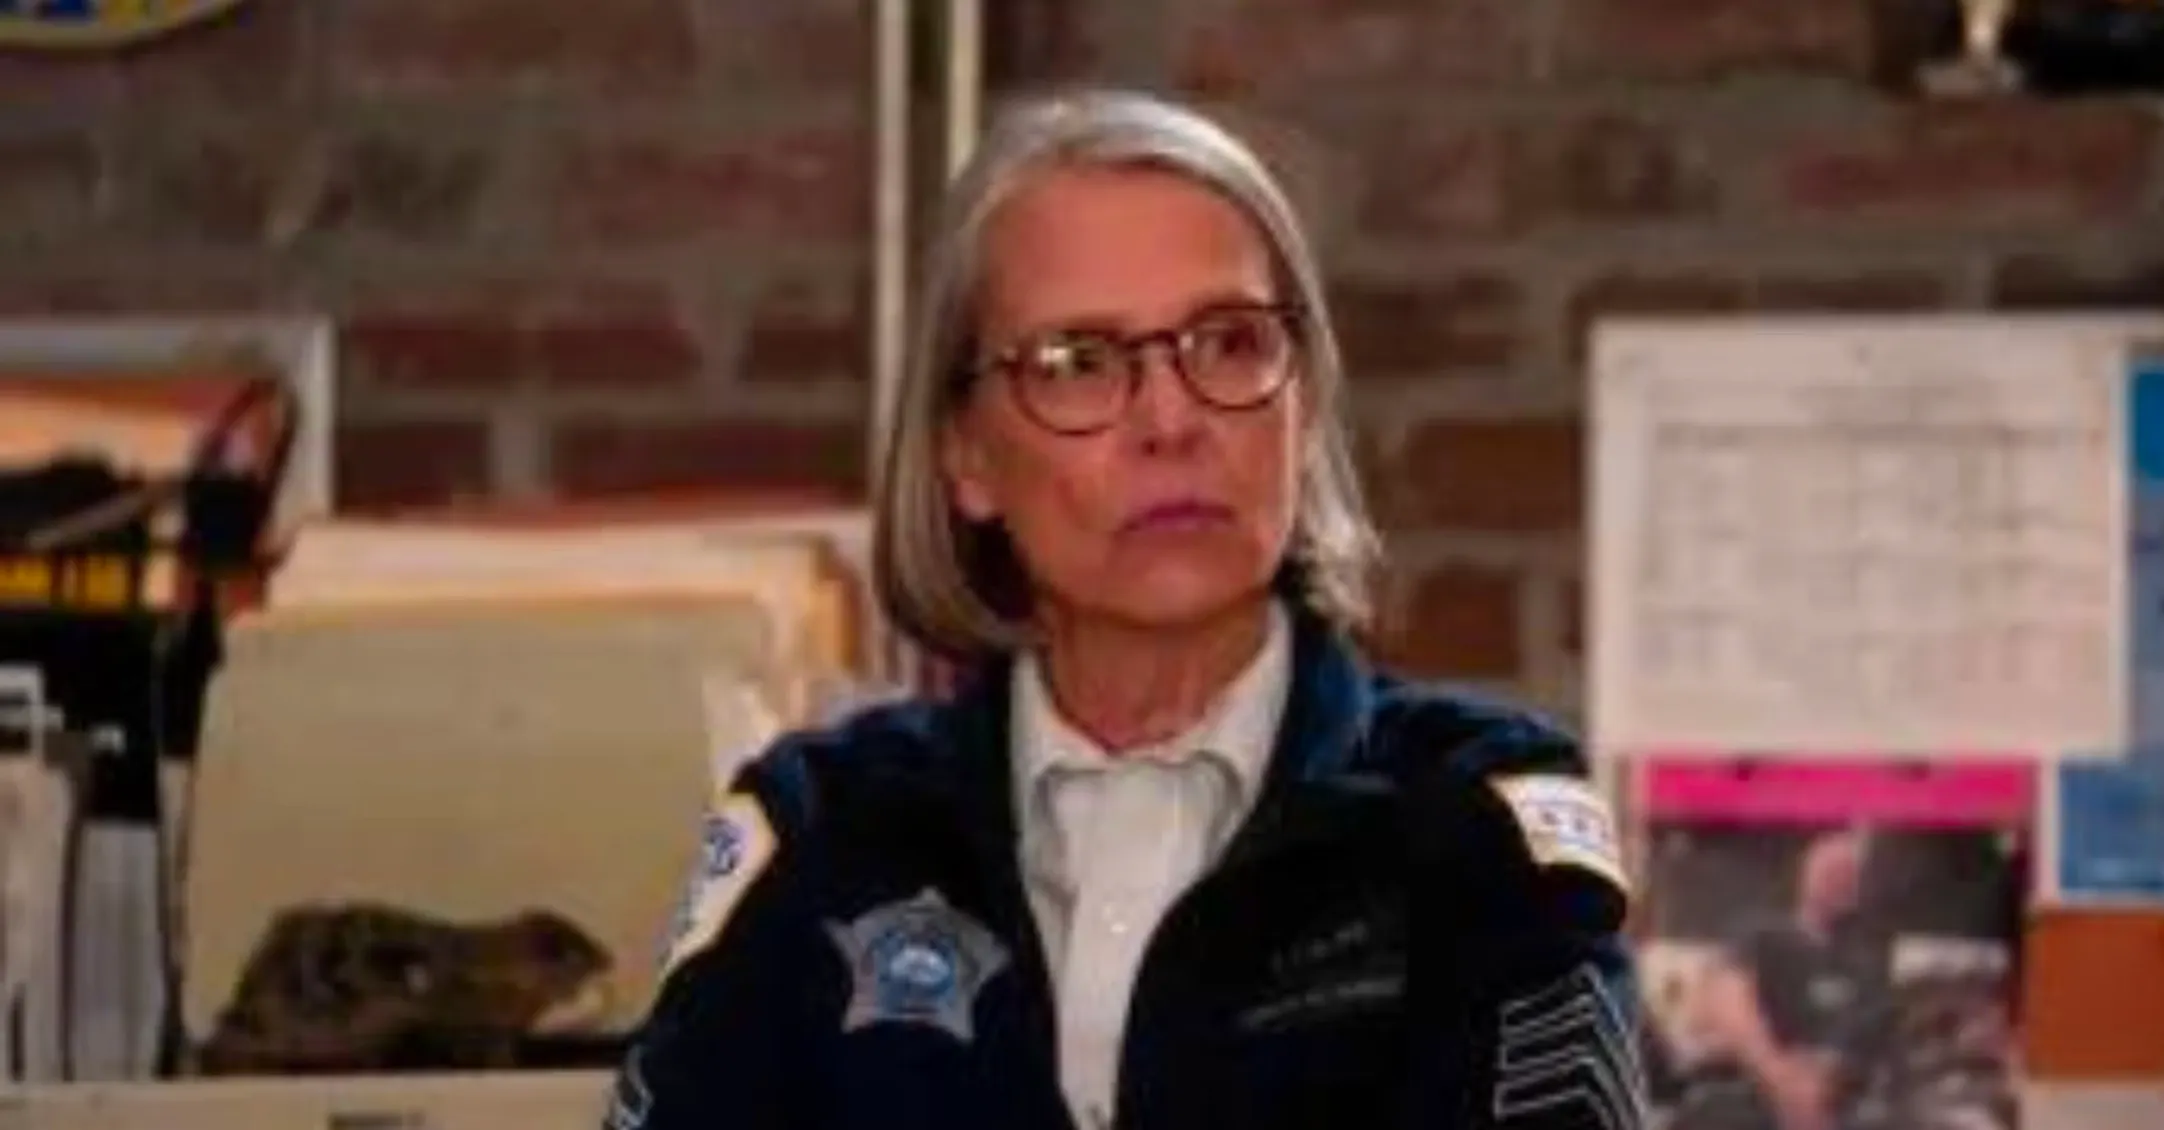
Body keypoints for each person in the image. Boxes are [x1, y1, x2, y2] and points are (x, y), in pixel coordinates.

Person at [600, 88, 1645, 1130]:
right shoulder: (823, 834)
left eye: (1229, 343)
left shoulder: (1474, 827)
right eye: (1078, 364)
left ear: (1304, 401)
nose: (1169, 420)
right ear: (965, 454)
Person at [1689, 829, 1892, 1130]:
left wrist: (1824, 1077)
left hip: (1840, 1101)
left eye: (1849, 873)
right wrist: (1779, 1077)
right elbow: (1728, 1001)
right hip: (1757, 1087)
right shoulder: (1762, 935)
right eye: (1830, 869)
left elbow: (1869, 1035)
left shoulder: (1869, 958)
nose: (1838, 880)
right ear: (1805, 873)